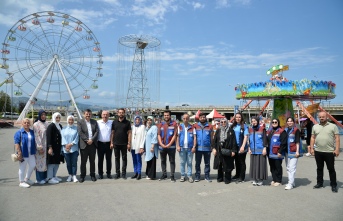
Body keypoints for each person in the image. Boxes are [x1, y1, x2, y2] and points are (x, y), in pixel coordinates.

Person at [310, 111, 340, 193]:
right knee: (319, 168)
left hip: (329, 151)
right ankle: (319, 183)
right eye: (320, 117)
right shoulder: (315, 126)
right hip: (318, 151)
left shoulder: (333, 126)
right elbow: (312, 138)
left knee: (331, 169)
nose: (321, 118)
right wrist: (312, 148)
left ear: (327, 117)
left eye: (323, 116)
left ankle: (333, 185)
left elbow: (337, 138)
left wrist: (337, 149)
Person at [213, 118, 237, 184]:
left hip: (228, 149)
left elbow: (234, 141)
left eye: (224, 122)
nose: (223, 123)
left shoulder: (231, 131)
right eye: (222, 122)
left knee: (227, 164)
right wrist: (214, 148)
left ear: (227, 122)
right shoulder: (218, 130)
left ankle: (227, 178)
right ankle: (220, 177)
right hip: (219, 149)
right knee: (220, 164)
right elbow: (215, 140)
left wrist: (233, 151)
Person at [78, 109, 99, 183]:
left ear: (91, 115)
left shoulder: (94, 122)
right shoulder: (80, 122)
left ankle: (92, 175)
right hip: (84, 145)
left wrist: (92, 140)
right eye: (87, 114)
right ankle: (82, 176)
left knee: (92, 161)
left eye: (89, 114)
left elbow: (97, 131)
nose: (88, 115)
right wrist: (87, 140)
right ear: (84, 114)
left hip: (92, 145)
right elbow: (80, 132)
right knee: (83, 161)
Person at [14, 118, 36, 188]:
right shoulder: (19, 132)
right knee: (22, 167)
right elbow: (17, 143)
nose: (26, 124)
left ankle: (27, 179)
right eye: (25, 123)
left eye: (28, 122)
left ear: (30, 124)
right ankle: (21, 182)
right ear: (22, 124)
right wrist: (19, 152)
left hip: (31, 152)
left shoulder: (32, 132)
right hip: (24, 153)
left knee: (33, 165)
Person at [110, 108, 131, 180]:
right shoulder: (114, 122)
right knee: (117, 158)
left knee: (124, 158)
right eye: (120, 112)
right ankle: (117, 173)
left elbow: (129, 133)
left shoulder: (127, 122)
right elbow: (112, 133)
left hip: (124, 144)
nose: (121, 114)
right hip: (116, 143)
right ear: (118, 113)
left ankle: (124, 173)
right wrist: (111, 142)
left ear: (124, 113)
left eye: (122, 112)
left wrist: (129, 143)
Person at [158, 110, 178, 182]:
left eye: (167, 115)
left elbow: (175, 135)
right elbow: (159, 135)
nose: (166, 116)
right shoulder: (161, 124)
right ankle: (164, 174)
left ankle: (172, 175)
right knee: (163, 161)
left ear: (170, 116)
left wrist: (169, 144)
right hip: (162, 146)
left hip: (171, 147)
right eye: (165, 115)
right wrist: (161, 143)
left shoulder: (174, 124)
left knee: (172, 161)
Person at [266, 118, 287, 186]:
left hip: (277, 152)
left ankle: (279, 180)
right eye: (273, 122)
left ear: (278, 123)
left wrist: (280, 151)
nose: (274, 123)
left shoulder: (281, 131)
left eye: (276, 122)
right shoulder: (270, 131)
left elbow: (283, 142)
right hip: (270, 152)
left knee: (278, 167)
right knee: (272, 167)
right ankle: (274, 179)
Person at [193, 112, 214, 182]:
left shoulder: (210, 126)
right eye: (201, 117)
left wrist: (212, 146)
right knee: (197, 163)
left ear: (206, 118)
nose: (202, 118)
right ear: (199, 118)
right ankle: (197, 176)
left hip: (207, 148)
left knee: (207, 163)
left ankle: (207, 176)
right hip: (198, 148)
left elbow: (211, 137)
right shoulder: (195, 126)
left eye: (204, 117)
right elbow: (194, 137)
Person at [176, 113, 196, 183]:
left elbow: (195, 137)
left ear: (189, 119)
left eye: (187, 118)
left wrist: (194, 146)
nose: (185, 120)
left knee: (189, 162)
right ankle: (182, 175)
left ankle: (189, 176)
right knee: (182, 162)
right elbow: (177, 137)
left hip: (190, 148)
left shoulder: (192, 127)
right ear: (182, 119)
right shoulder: (180, 127)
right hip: (182, 148)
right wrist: (177, 146)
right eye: (184, 118)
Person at [248, 116, 268, 186]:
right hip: (253, 150)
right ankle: (254, 179)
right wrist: (249, 148)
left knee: (261, 165)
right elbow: (249, 140)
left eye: (255, 121)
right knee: (254, 165)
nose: (254, 122)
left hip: (260, 150)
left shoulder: (262, 129)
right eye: (252, 121)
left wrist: (265, 148)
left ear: (258, 121)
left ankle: (260, 179)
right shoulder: (250, 129)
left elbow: (265, 139)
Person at [231, 112, 249, 183]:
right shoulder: (233, 126)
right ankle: (237, 174)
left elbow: (245, 136)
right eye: (236, 117)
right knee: (236, 162)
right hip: (235, 146)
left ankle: (242, 177)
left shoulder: (244, 126)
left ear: (241, 118)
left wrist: (243, 146)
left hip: (241, 146)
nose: (238, 118)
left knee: (242, 162)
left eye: (239, 117)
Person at [284, 117, 302, 190]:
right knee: (288, 168)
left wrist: (297, 151)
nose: (289, 122)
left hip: (293, 151)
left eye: (291, 121)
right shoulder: (285, 130)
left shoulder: (296, 130)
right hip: (286, 152)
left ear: (293, 122)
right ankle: (292, 181)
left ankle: (290, 183)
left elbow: (297, 141)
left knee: (292, 168)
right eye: (288, 121)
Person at [46, 112, 63, 184]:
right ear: (54, 117)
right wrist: (50, 147)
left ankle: (54, 176)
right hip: (52, 147)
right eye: (56, 117)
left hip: (58, 147)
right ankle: (50, 178)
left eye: (59, 117)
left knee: (57, 162)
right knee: (51, 163)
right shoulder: (51, 126)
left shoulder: (60, 126)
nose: (58, 119)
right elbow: (49, 137)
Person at [61, 115, 79, 183]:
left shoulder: (76, 128)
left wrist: (70, 144)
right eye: (69, 120)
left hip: (74, 148)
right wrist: (66, 145)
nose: (70, 121)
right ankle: (70, 175)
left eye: (72, 120)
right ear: (67, 120)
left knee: (74, 163)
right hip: (66, 149)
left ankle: (74, 175)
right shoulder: (63, 128)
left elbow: (77, 138)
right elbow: (62, 137)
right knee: (68, 163)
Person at [33, 110, 49, 184]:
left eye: (44, 115)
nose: (43, 116)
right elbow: (37, 137)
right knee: (39, 162)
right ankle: (39, 179)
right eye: (42, 115)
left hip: (46, 146)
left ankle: (44, 177)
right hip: (40, 147)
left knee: (45, 162)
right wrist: (40, 148)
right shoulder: (36, 124)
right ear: (39, 115)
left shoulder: (46, 123)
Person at [97, 110, 113, 179]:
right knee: (100, 159)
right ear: (101, 115)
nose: (105, 116)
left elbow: (113, 133)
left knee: (108, 159)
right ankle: (100, 173)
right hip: (100, 143)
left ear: (109, 115)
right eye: (104, 114)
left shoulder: (111, 123)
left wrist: (112, 142)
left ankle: (108, 173)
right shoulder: (98, 123)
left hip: (108, 144)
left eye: (106, 114)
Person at [130, 116, 146, 180]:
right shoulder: (132, 127)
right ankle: (135, 172)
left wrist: (141, 147)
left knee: (138, 160)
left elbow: (143, 137)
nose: (137, 120)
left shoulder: (142, 127)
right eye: (136, 119)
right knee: (134, 160)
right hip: (133, 146)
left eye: (138, 119)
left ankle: (139, 173)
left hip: (139, 146)